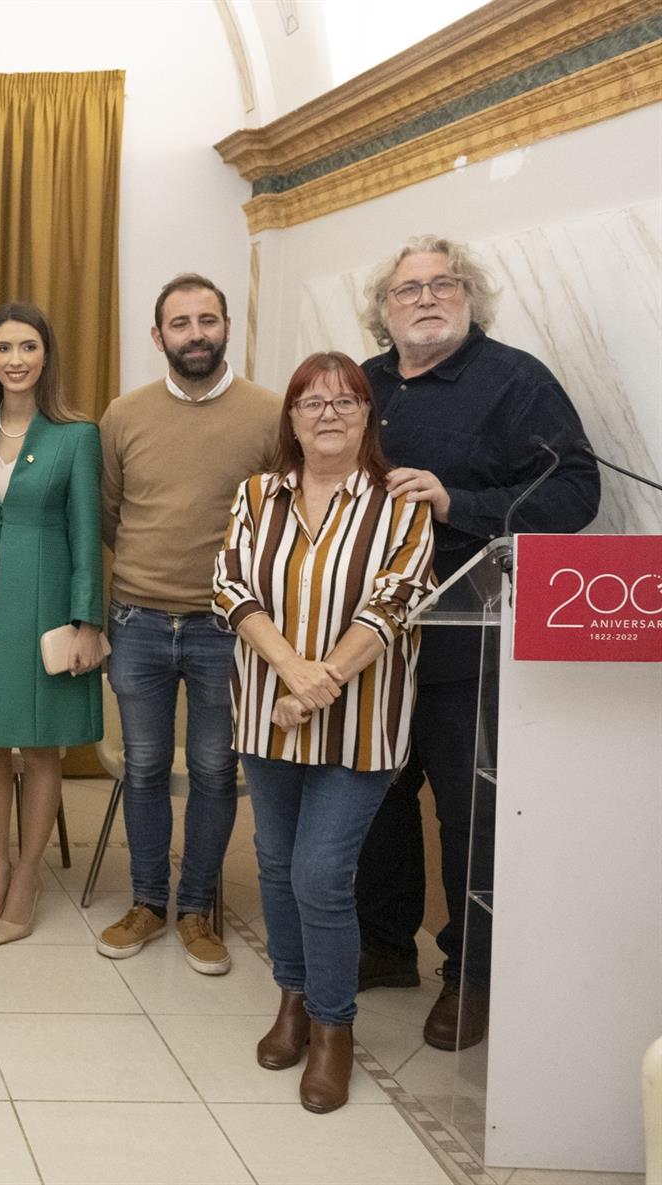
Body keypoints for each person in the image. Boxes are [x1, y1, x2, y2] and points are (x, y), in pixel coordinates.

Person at [351, 236, 599, 1051]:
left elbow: (577, 492)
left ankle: (471, 975)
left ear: (471, 296)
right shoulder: (363, 382)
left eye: (444, 283)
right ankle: (385, 945)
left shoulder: (515, 381)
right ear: (383, 308)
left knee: (469, 814)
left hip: (470, 640)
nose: (426, 298)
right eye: (408, 288)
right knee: (377, 797)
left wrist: (456, 502)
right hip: (370, 638)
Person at [213, 351, 436, 1112]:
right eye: (312, 402)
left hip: (360, 726)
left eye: (346, 401)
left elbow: (394, 602)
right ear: (293, 420)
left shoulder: (400, 502)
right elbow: (230, 588)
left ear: (369, 415)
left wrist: (319, 683)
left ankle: (334, 1026)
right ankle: (293, 1000)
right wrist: (292, 670)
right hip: (266, 713)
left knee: (321, 874)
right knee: (277, 866)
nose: (329, 414)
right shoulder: (257, 495)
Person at [94, 274, 279, 975]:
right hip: (137, 619)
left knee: (213, 768)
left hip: (227, 627)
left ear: (228, 327)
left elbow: (283, 517)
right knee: (142, 766)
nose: (195, 333)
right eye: (180, 323)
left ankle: (198, 909)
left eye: (207, 320)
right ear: (158, 335)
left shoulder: (270, 414)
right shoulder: (124, 414)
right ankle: (147, 901)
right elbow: (110, 511)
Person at [0, 302, 103, 944]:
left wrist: (87, 620)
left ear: (46, 356)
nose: (15, 359)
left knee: (38, 744)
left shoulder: (75, 435)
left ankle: (29, 876)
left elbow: (87, 533)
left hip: (46, 602)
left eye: (28, 347)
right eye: (4, 348)